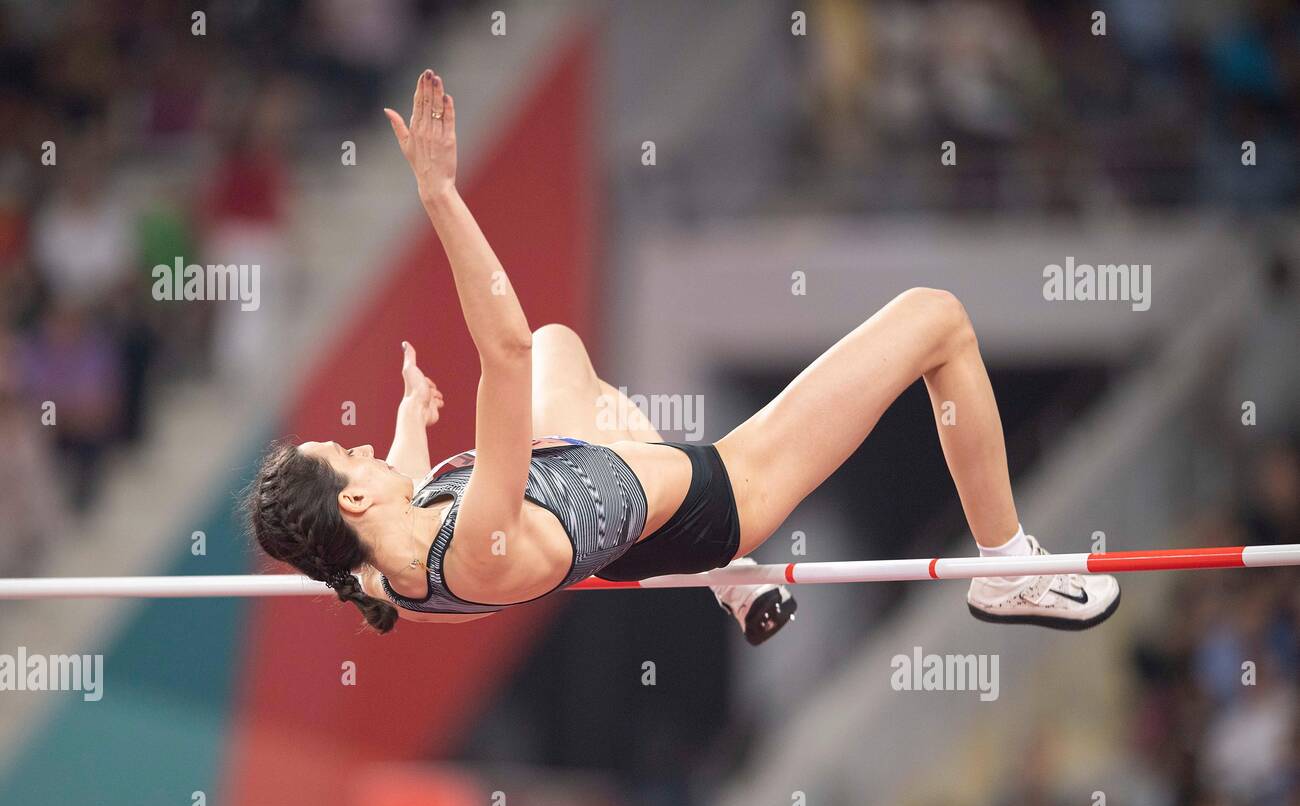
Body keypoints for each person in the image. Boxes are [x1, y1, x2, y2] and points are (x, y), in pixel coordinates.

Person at [246, 69, 1120, 645]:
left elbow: (397, 500)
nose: (364, 451)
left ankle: (727, 584)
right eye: (350, 454)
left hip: (595, 507)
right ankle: (1008, 566)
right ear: (355, 494)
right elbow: (501, 351)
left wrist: (404, 419)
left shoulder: (385, 566)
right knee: (937, 319)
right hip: (709, 501)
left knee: (560, 346)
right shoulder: (470, 540)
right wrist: (438, 192)